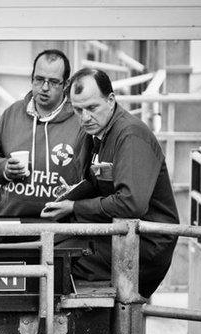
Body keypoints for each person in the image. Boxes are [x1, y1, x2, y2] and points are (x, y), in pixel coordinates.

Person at [41, 68, 179, 298]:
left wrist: (75, 207)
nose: (85, 117)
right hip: (118, 233)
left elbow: (131, 204)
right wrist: (71, 195)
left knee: (55, 257)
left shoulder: (131, 136)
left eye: (92, 108)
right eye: (78, 110)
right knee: (50, 242)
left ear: (111, 100)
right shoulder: (97, 133)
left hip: (145, 245)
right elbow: (97, 180)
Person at [0, 49, 80, 218]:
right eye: (39, 79)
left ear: (66, 85)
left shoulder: (80, 121)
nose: (45, 88)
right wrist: (4, 168)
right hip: (10, 221)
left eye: (54, 82)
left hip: (60, 225)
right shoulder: (12, 114)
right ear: (32, 78)